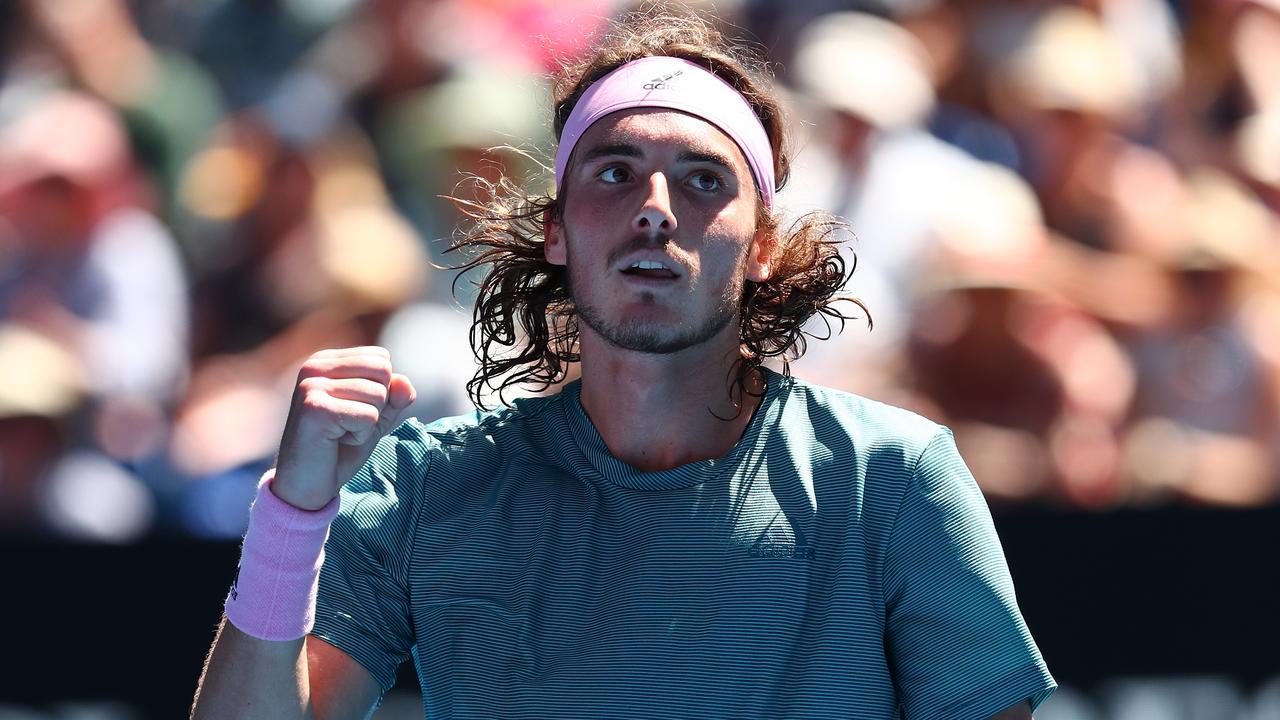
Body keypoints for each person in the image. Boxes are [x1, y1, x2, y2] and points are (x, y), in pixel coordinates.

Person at [191, 11, 1055, 719]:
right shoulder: (425, 488)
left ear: (760, 248)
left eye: (704, 180)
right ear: (557, 233)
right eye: (615, 172)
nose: (654, 210)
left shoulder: (897, 479)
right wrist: (293, 514)